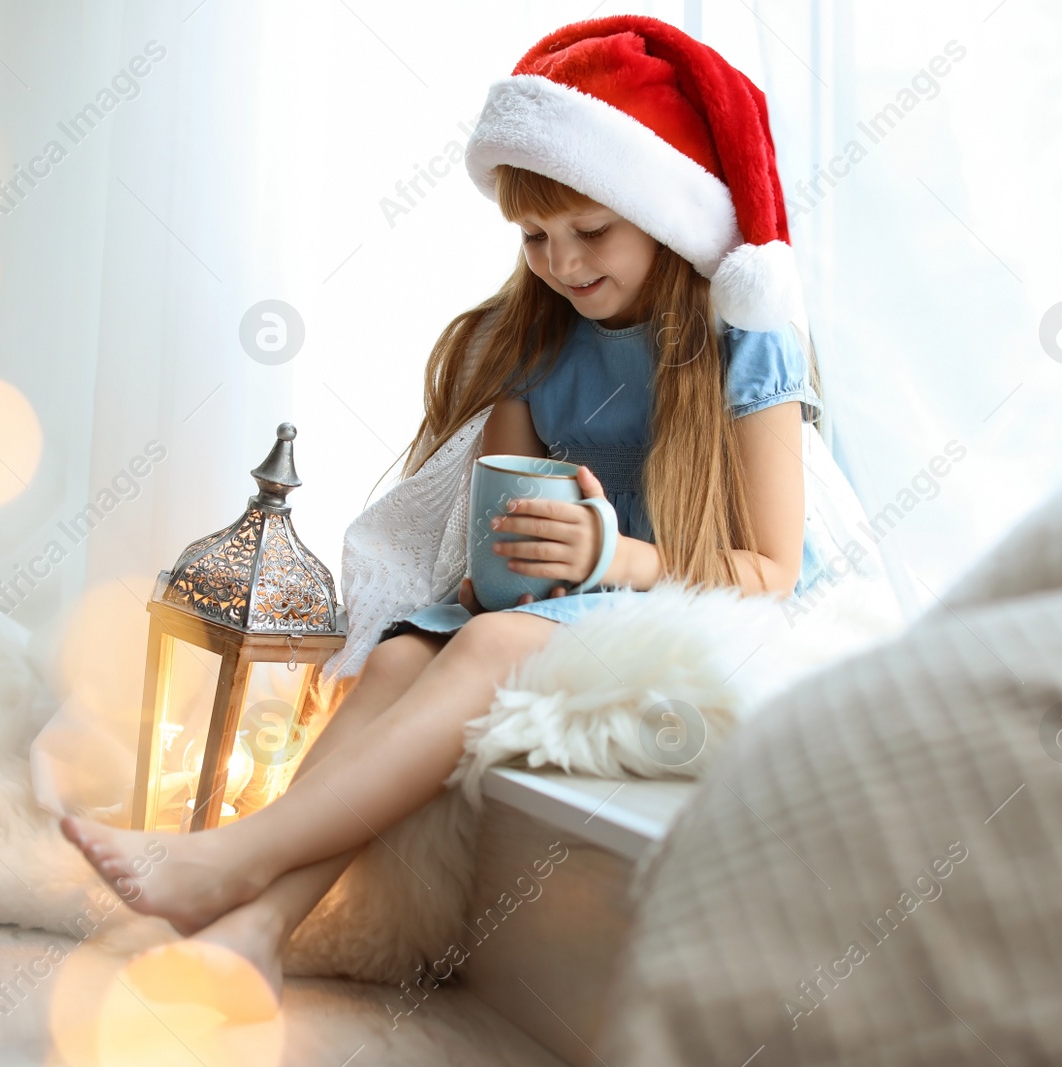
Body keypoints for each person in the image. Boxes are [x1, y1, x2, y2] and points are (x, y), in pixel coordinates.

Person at [62, 13, 857, 1001]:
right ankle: (256, 929)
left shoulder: (746, 337)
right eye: (535, 236)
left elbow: (772, 572)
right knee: (402, 650)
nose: (563, 264)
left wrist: (612, 551)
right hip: (564, 600)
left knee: (483, 649)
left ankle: (231, 857)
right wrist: (525, 554)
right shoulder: (535, 343)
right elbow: (498, 568)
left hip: (692, 595)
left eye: (590, 231)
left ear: (661, 212)